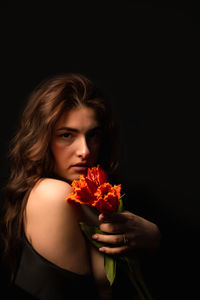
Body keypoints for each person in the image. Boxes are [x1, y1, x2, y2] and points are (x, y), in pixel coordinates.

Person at [1, 73, 160, 299]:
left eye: (93, 135)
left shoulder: (91, 195)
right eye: (66, 135)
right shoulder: (53, 194)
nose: (85, 151)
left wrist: (154, 237)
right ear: (42, 140)